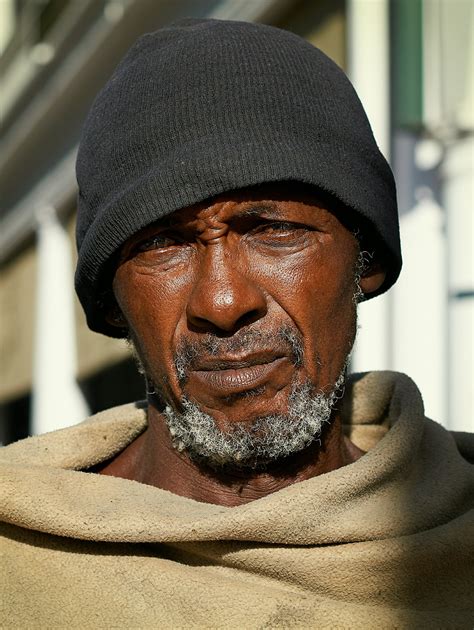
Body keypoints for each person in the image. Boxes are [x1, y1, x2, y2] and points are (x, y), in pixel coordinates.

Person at [1, 18, 473, 629]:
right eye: (163, 245)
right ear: (112, 302)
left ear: (367, 260)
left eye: (274, 232)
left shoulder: (456, 527)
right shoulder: (19, 565)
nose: (222, 302)